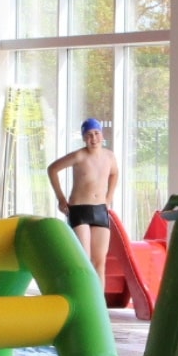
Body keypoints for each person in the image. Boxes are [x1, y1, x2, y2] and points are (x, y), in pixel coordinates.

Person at [47, 118, 120, 281]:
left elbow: (114, 173)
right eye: (88, 135)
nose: (93, 139)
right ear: (83, 138)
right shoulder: (79, 156)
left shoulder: (109, 156)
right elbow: (52, 169)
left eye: (96, 134)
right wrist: (61, 198)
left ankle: (99, 306)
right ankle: (85, 303)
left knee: (100, 263)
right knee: (84, 261)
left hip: (100, 210)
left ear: (102, 135)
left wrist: (109, 197)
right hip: (79, 210)